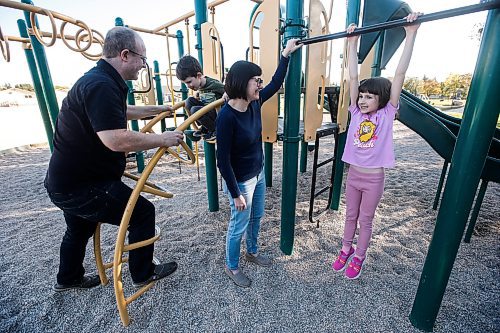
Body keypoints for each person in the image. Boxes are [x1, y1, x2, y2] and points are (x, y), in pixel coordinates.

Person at [44, 26, 185, 291]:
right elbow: (115, 139)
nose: (143, 65)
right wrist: (162, 139)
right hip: (84, 186)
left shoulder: (100, 79)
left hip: (65, 181)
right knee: (143, 212)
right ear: (125, 55)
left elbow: (121, 111)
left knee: (79, 229)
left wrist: (159, 109)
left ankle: (68, 278)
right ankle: (143, 272)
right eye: (142, 59)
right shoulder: (101, 85)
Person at [332, 13, 422, 279]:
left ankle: (359, 255)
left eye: (369, 97)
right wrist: (351, 44)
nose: (362, 100)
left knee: (365, 219)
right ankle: (346, 248)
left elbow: (400, 73)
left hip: (373, 179)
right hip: (354, 175)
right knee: (349, 216)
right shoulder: (356, 114)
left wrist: (411, 34)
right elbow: (352, 75)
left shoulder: (387, 114)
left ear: (382, 100)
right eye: (361, 96)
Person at [216, 38, 302, 287]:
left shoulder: (255, 102)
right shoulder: (227, 118)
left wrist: (285, 54)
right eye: (256, 80)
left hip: (258, 173)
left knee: (258, 216)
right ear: (243, 83)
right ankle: (231, 266)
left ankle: (251, 253)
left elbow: (276, 82)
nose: (260, 84)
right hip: (240, 181)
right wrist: (235, 194)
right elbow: (222, 161)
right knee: (238, 224)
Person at [176, 55, 225, 141]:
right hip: (209, 113)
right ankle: (205, 127)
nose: (188, 86)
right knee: (189, 101)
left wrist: (226, 94)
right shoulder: (200, 87)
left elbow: (229, 90)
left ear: (199, 75)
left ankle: (215, 130)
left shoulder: (213, 84)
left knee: (195, 110)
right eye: (185, 84)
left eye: (189, 82)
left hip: (219, 116)